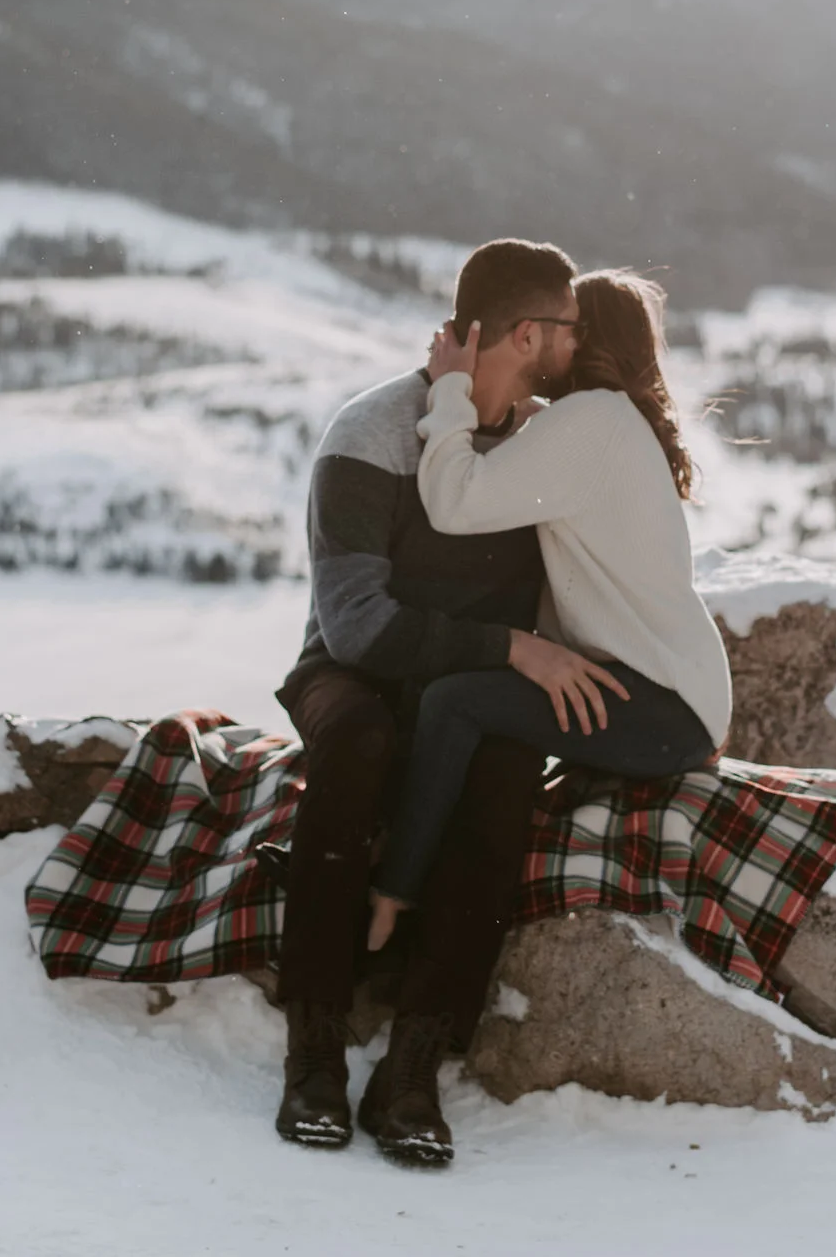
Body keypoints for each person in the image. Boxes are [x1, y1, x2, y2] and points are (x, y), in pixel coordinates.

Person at [272, 237, 626, 1166]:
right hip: (355, 673)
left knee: (502, 769)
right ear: (524, 333)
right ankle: (313, 1045)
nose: (576, 345)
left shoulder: (546, 447)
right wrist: (511, 645)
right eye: (567, 329)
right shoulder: (370, 431)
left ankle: (415, 1066)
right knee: (357, 738)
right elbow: (355, 628)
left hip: (470, 692)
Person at [365, 269, 731, 955]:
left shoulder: (589, 422)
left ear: (582, 339)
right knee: (477, 715)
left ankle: (391, 896)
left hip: (662, 705)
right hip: (668, 693)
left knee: (453, 703)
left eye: (560, 329)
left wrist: (450, 389)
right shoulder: (603, 422)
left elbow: (455, 502)